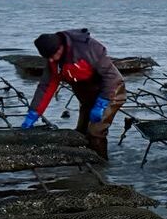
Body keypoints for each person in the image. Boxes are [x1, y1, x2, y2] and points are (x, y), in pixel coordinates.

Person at [21, 28, 126, 159]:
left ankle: (101, 164)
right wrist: (34, 113)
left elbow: (112, 78)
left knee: (95, 132)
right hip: (87, 94)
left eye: (54, 55)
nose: (53, 59)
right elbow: (46, 87)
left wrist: (102, 103)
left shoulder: (89, 49)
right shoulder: (53, 61)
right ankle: (83, 162)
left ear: (61, 47)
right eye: (49, 58)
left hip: (111, 91)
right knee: (81, 131)